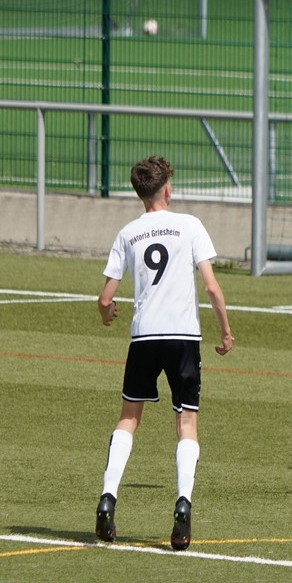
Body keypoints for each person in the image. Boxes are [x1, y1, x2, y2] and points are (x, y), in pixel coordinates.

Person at [94, 156, 234, 551]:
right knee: (186, 422)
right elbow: (211, 287)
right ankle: (183, 504)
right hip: (183, 337)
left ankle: (108, 497)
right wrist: (225, 332)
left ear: (140, 194)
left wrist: (107, 313)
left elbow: (105, 298)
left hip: (144, 337)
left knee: (128, 417)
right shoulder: (190, 225)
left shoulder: (128, 233)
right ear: (167, 190)